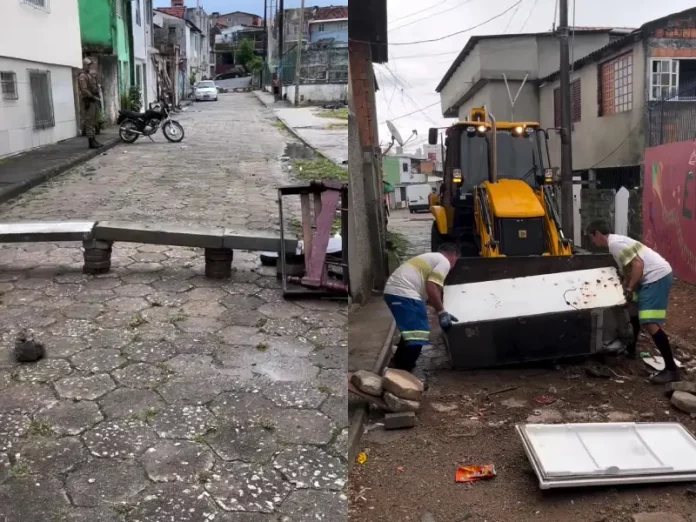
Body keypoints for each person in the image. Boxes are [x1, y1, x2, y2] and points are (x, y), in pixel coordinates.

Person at [587, 220, 678, 384]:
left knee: (650, 322)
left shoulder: (614, 244)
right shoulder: (616, 243)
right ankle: (631, 351)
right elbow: (629, 270)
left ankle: (671, 369)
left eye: (592, 237)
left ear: (598, 234)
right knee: (632, 311)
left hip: (655, 277)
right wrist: (623, 291)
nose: (592, 241)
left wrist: (629, 290)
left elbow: (638, 265)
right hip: (648, 277)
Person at [383, 244, 460, 372]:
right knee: (418, 336)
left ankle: (396, 367)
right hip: (403, 293)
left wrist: (440, 310)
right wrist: (441, 312)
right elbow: (432, 287)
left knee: (411, 333)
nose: (453, 265)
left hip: (396, 292)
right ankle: (403, 372)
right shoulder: (444, 261)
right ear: (454, 255)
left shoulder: (432, 259)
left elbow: (433, 292)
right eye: (455, 261)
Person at [78, 58, 103, 149]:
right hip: (88, 101)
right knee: (89, 121)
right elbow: (84, 90)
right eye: (88, 65)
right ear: (84, 65)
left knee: (93, 121)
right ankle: (91, 141)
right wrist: (92, 96)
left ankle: (93, 139)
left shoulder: (88, 75)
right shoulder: (82, 76)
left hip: (93, 100)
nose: (89, 66)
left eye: (90, 65)